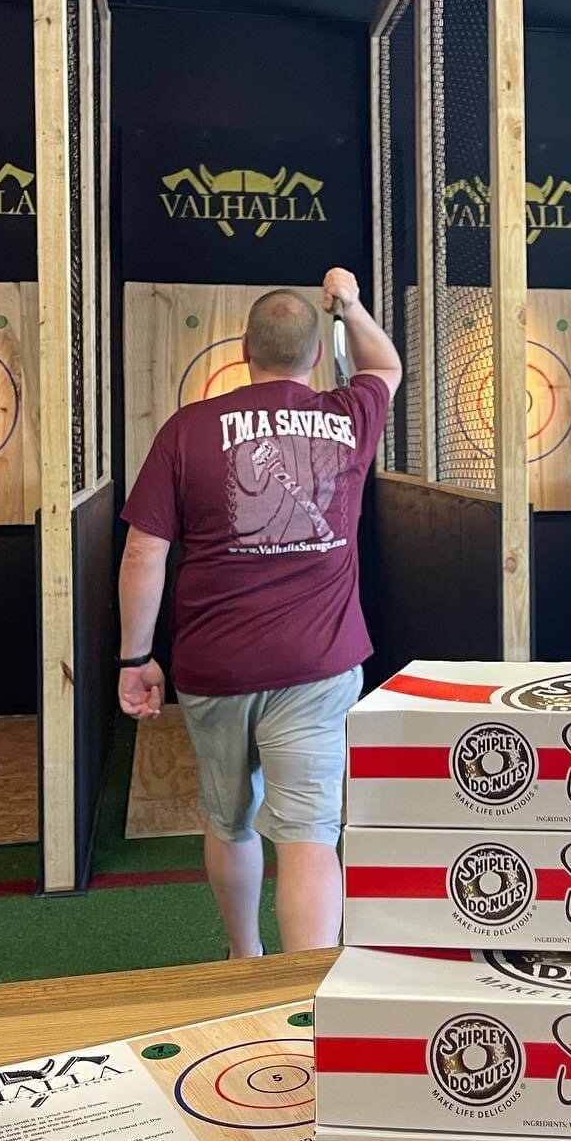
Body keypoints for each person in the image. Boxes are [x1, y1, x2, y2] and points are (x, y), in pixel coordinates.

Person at [116, 269, 400, 958]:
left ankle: (245, 959)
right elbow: (385, 363)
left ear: (244, 350)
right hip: (318, 664)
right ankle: (304, 997)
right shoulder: (348, 413)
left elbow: (143, 554)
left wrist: (135, 657)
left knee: (231, 821)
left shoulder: (188, 430)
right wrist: (353, 306)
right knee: (307, 833)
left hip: (216, 669)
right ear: (315, 354)